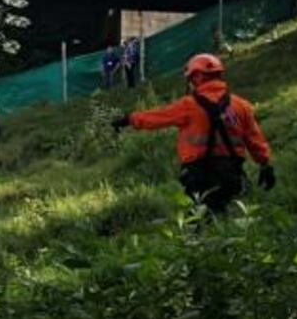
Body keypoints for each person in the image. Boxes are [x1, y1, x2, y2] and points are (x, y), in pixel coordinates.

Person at [113, 53, 275, 214]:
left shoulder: (189, 105)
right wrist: (265, 164)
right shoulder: (241, 105)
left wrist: (129, 119)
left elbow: (157, 117)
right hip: (231, 172)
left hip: (199, 174)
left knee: (205, 216)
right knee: (228, 212)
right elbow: (255, 139)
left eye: (191, 78)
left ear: (197, 77)